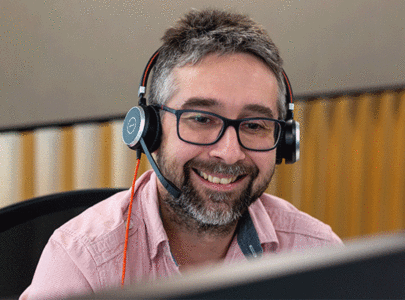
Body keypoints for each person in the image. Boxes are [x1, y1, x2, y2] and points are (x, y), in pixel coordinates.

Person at [20, 8, 342, 299]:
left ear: (283, 140)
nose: (229, 153)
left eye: (254, 125)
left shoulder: (316, 255)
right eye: (201, 119)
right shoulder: (82, 268)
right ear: (151, 131)